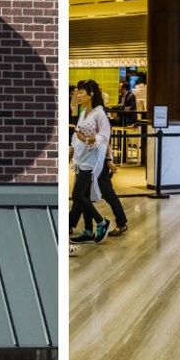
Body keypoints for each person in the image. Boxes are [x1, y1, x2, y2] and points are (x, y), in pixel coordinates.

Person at [69, 79, 112, 244]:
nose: (78, 95)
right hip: (81, 159)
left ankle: (101, 222)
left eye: (81, 92)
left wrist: (87, 139)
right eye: (78, 91)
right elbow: (77, 134)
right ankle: (88, 230)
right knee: (83, 195)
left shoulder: (99, 113)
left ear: (91, 94)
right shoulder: (83, 112)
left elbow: (104, 136)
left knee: (77, 195)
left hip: (91, 161)